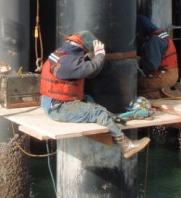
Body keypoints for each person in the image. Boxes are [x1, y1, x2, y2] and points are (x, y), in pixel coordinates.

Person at [40, 30, 150, 159]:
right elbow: (91, 69)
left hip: (53, 102)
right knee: (98, 113)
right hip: (58, 108)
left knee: (89, 99)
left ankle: (111, 120)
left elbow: (77, 66)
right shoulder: (67, 64)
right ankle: (125, 145)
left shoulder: (62, 54)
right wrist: (99, 55)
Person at [135, 15, 179, 99]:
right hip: (172, 74)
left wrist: (139, 61)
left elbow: (152, 65)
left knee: (135, 86)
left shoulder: (154, 40)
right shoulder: (162, 34)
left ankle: (162, 94)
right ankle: (164, 91)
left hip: (164, 76)